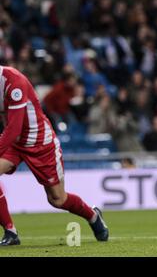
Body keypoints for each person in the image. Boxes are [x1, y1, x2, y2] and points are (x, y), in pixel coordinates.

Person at [0, 65, 109, 246]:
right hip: (14, 143)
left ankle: (93, 215)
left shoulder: (13, 81)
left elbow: (14, 128)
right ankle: (10, 231)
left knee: (57, 199)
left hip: (39, 142)